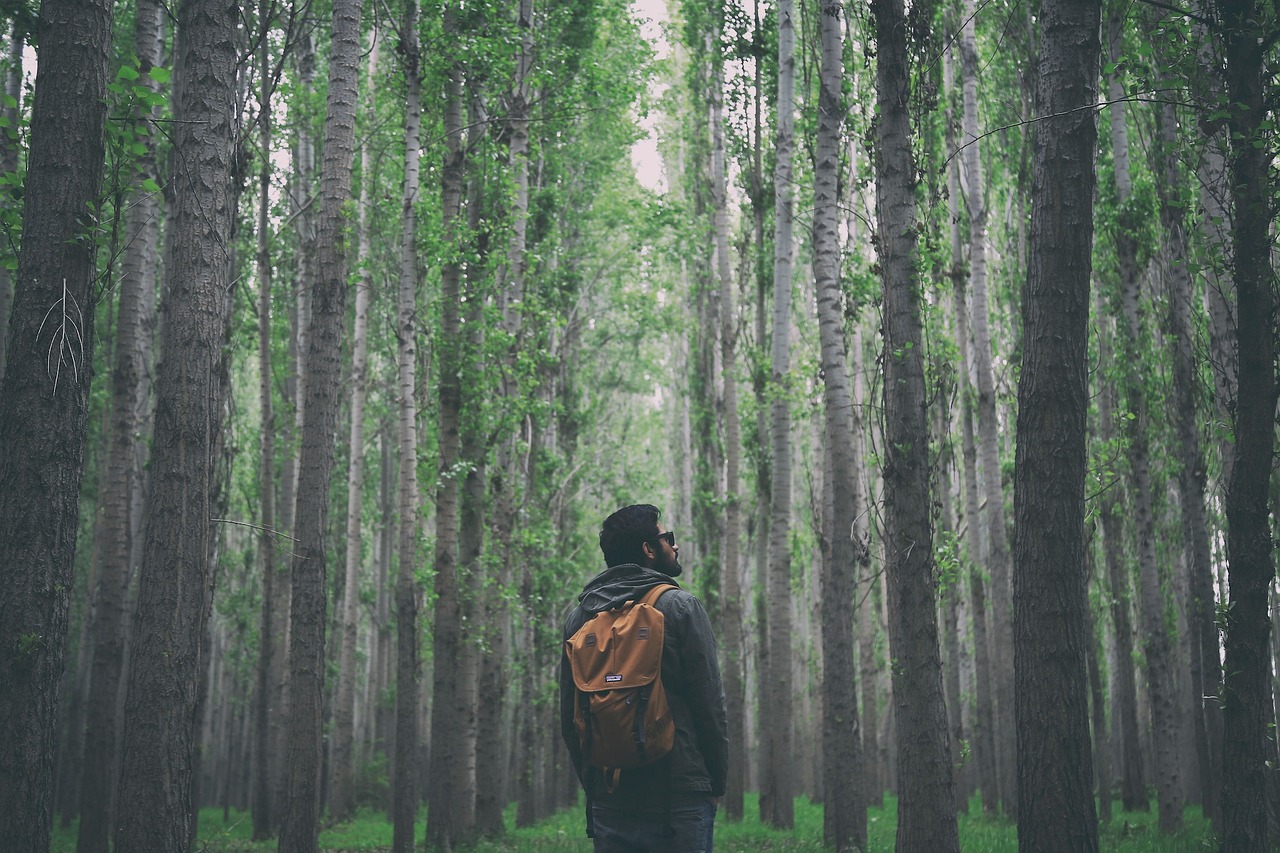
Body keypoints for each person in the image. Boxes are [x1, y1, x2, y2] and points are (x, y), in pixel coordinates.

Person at [560, 504, 729, 853]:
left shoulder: (580, 620)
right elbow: (710, 705)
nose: (675, 545)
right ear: (649, 550)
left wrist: (594, 788)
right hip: (680, 794)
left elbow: (570, 718)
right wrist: (713, 783)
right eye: (668, 538)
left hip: (611, 793)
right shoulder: (681, 607)